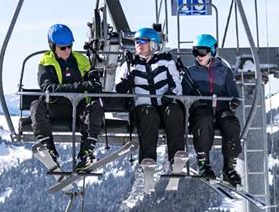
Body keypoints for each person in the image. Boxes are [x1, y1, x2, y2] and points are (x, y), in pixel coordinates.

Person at [32, 24, 103, 172]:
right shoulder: (46, 63)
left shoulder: (82, 60)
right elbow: (49, 88)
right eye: (62, 48)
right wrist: (80, 86)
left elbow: (94, 86)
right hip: (57, 107)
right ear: (52, 46)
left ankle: (86, 153)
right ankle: (49, 149)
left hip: (79, 109)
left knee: (96, 106)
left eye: (69, 46)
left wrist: (94, 79)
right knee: (36, 106)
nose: (67, 51)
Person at [115, 27, 185, 167]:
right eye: (136, 42)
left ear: (153, 43)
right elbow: (118, 89)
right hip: (143, 108)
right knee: (149, 115)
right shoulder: (129, 64)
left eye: (143, 41)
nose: (138, 45)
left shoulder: (165, 62)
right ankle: (148, 161)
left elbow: (177, 84)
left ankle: (176, 157)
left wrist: (171, 94)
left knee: (174, 111)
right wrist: (126, 83)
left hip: (164, 104)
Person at [181, 33, 242, 186]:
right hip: (201, 111)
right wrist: (191, 102)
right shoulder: (190, 73)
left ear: (212, 51)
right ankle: (203, 163)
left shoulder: (224, 72)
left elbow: (234, 93)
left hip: (221, 110)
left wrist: (234, 102)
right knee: (204, 119)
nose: (198, 56)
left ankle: (229, 168)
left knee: (232, 124)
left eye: (201, 52)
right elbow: (184, 95)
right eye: (195, 52)